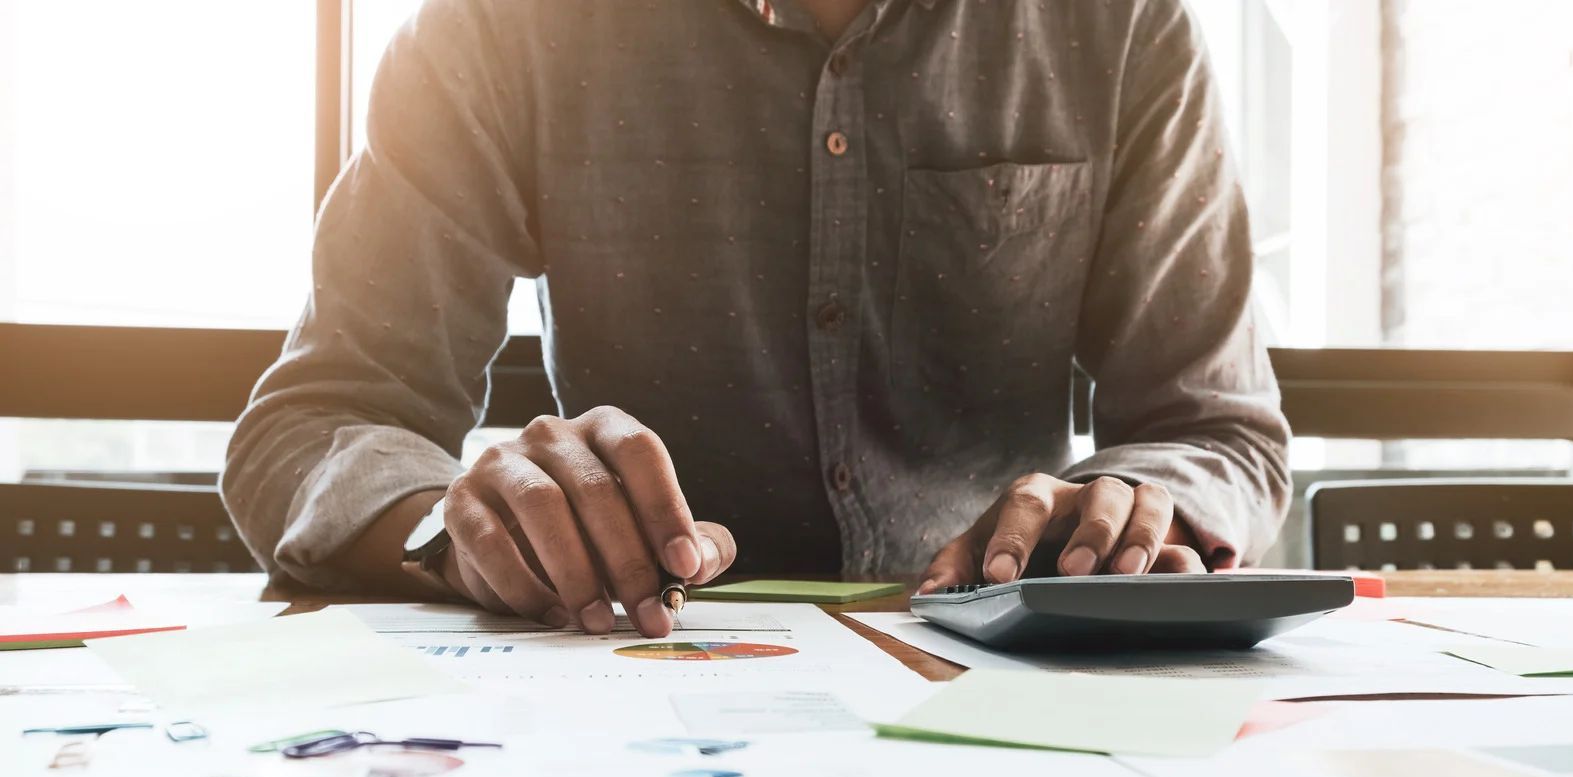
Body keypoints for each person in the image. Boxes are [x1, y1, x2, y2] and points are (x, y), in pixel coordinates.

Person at [224, 0, 1291, 640]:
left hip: (1007, 692)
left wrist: (1140, 506)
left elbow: (1217, 431)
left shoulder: (1122, 25)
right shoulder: (506, 27)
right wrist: (451, 529)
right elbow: (312, 425)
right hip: (620, 678)